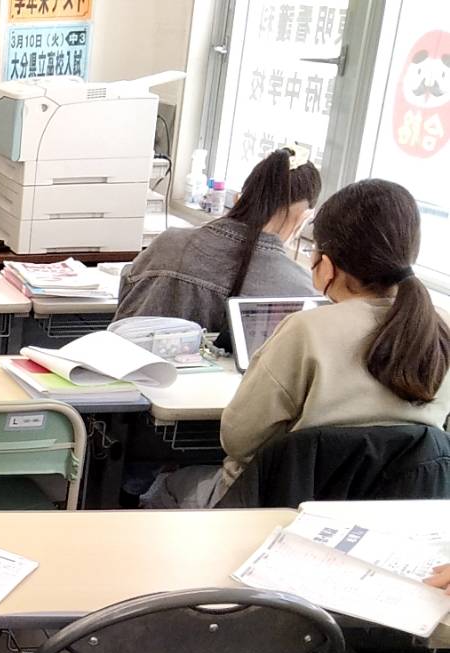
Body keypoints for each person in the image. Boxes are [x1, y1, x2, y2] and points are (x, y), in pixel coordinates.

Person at [144, 178, 450, 508]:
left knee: (163, 486)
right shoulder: (438, 331)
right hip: (388, 520)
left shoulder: (307, 330)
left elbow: (238, 438)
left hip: (274, 507)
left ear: (326, 267)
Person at [117, 145, 322, 340]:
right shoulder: (300, 290)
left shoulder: (167, 244)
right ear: (303, 218)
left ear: (239, 198)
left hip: (128, 364)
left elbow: (125, 311)